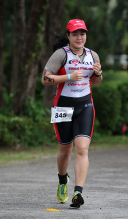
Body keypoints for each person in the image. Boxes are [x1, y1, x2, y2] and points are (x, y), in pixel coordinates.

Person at [42, 19, 102, 208]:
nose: (79, 37)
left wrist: (98, 74)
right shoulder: (61, 55)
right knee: (64, 151)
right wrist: (68, 77)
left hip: (85, 105)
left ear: (86, 36)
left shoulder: (93, 55)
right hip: (62, 107)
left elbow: (97, 83)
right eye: (75, 34)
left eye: (82, 34)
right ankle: (62, 181)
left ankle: (78, 192)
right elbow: (45, 79)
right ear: (68, 36)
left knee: (82, 148)